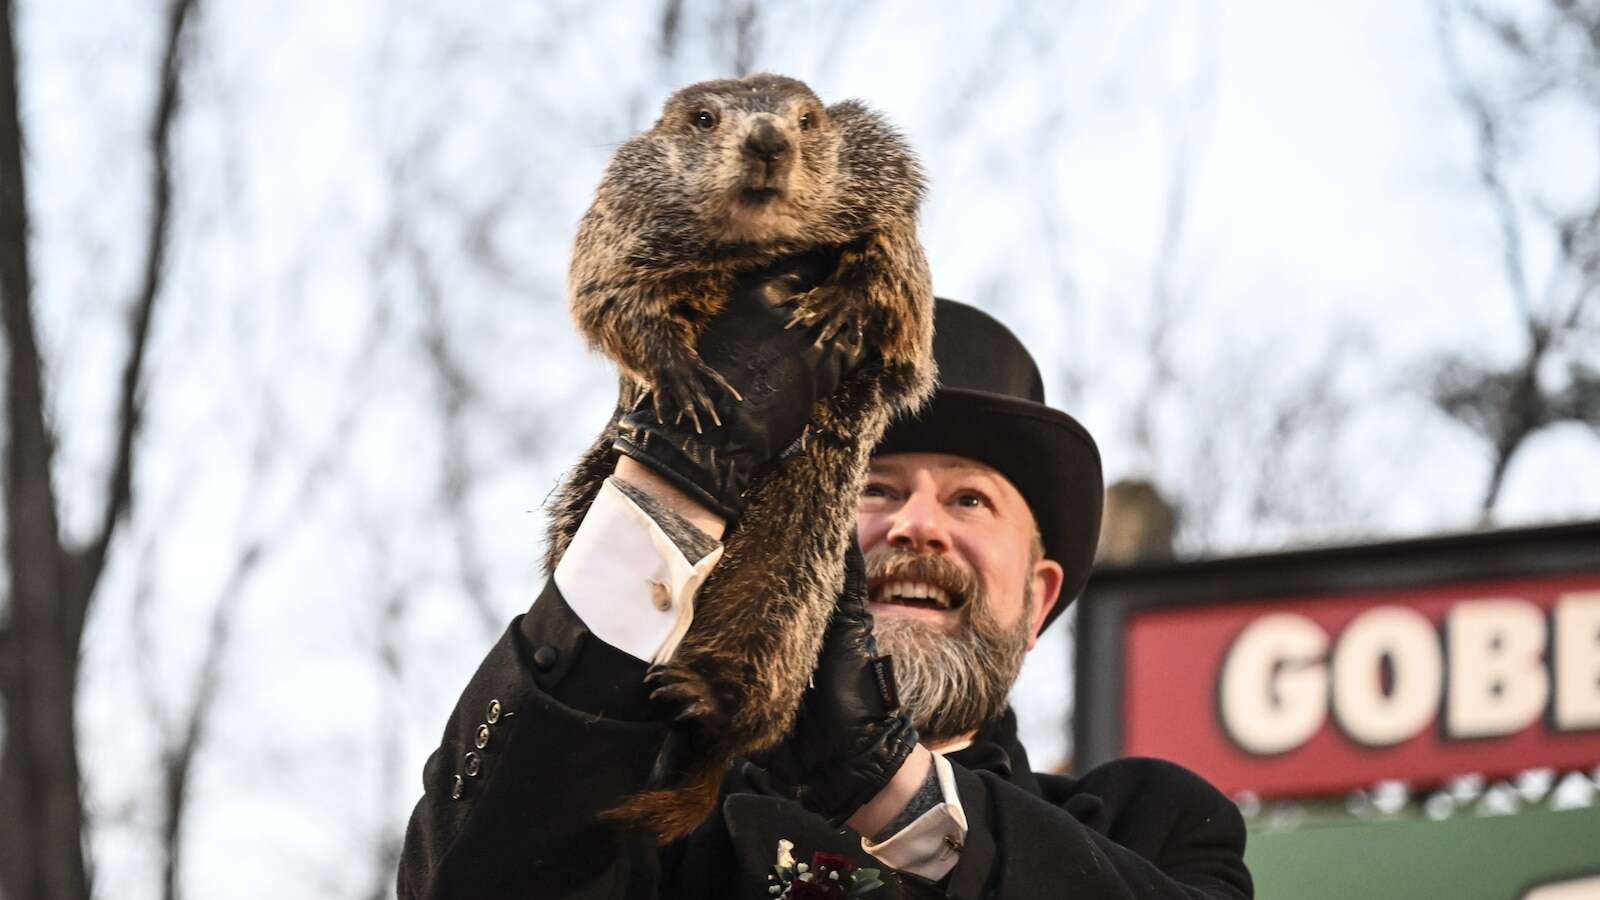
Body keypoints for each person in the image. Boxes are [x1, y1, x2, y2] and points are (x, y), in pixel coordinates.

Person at [398, 261, 1253, 899]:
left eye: (970, 498)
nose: (918, 524)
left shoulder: (1155, 828)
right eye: (872, 489)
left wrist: (892, 788)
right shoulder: (646, 802)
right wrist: (660, 503)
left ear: (1035, 600)